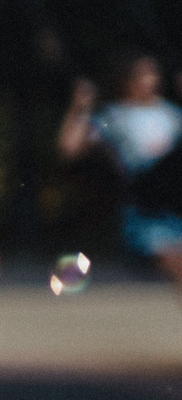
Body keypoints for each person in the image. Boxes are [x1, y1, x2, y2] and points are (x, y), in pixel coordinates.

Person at [57, 51, 182, 294]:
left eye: (154, 72)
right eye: (144, 74)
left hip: (174, 205)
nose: (152, 79)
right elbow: (69, 148)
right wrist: (80, 107)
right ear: (127, 81)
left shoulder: (172, 114)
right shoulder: (114, 117)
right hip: (146, 208)